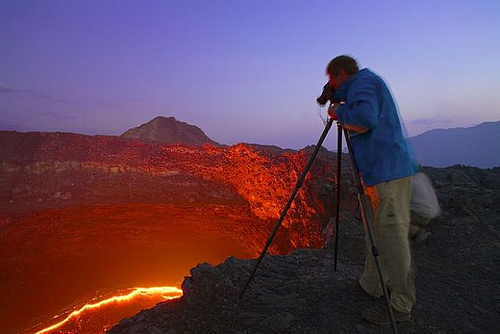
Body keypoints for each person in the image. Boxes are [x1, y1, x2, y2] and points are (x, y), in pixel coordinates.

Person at [325, 55, 419, 325]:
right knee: (374, 233)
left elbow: (366, 119)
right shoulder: (362, 85)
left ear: (341, 74)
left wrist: (337, 112)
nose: (330, 86)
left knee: (391, 237)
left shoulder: (363, 83)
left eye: (332, 80)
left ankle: (400, 304)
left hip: (387, 173)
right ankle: (372, 284)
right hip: (377, 174)